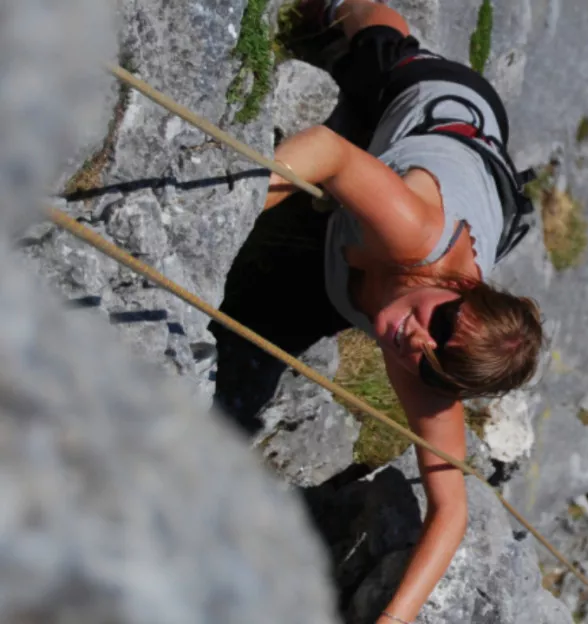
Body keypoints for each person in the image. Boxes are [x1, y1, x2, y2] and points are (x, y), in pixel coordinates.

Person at [208, 1, 545, 622]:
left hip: (436, 206)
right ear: (463, 287)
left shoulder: (427, 368)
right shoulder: (413, 230)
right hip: (447, 108)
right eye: (442, 324)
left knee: (254, 331)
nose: (415, 342)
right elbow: (327, 152)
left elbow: (451, 511)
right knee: (371, 55)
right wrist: (225, 218)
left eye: (436, 365)